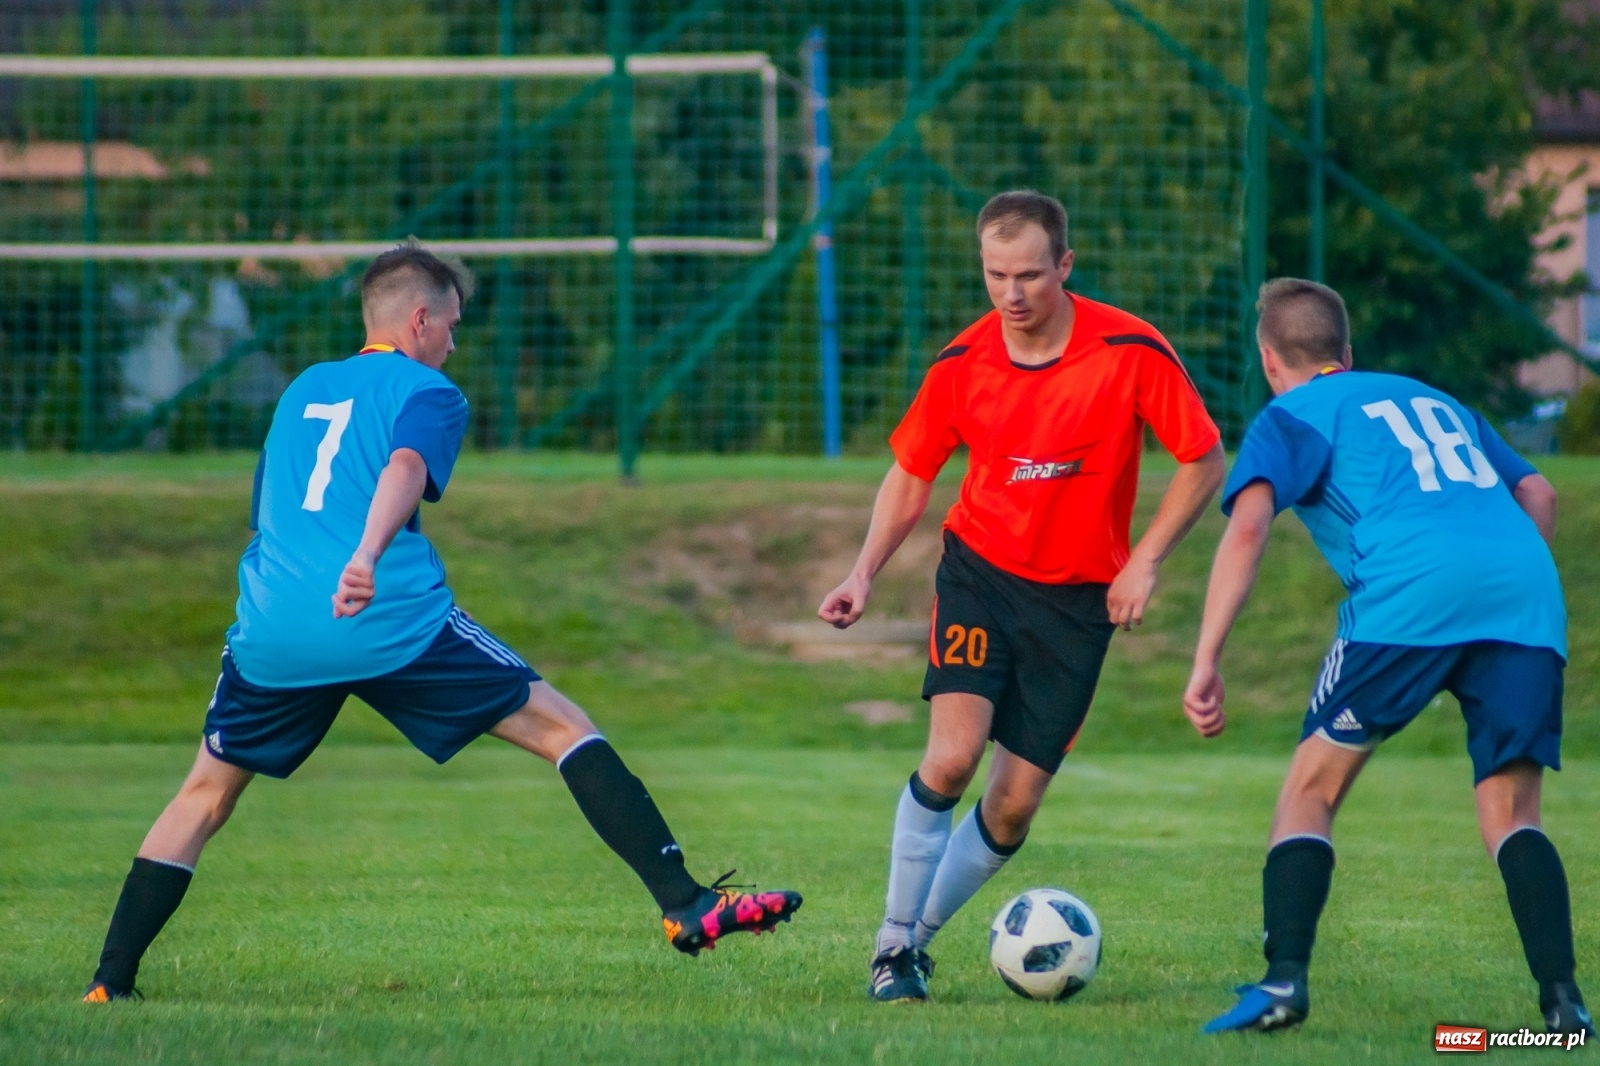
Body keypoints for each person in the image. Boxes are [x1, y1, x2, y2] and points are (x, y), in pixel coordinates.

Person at [80, 242, 800, 1004]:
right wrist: (364, 555)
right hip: (386, 614)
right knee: (565, 730)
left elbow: (269, 509)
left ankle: (107, 983)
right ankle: (686, 905)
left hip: (274, 628)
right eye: (451, 327)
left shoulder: (302, 390)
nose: (454, 344)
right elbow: (404, 470)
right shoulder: (427, 390)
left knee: (205, 795)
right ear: (418, 320)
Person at [818, 190, 1226, 1002]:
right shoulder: (962, 364)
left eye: (1031, 275)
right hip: (980, 578)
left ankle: (917, 943)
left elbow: (1205, 460)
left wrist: (1143, 560)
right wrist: (863, 570)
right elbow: (911, 473)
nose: (1013, 293)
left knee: (1010, 809)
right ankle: (890, 948)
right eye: (996, 274)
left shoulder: (1130, 348)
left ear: (1065, 266)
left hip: (1078, 604)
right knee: (953, 755)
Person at [1188, 278, 1592, 1037]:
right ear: (1348, 353)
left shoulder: (1292, 412)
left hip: (1410, 592)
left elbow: (1248, 528)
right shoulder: (1434, 398)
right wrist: (1496, 579)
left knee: (1310, 790)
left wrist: (1206, 657)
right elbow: (1540, 494)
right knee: (1512, 812)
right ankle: (1563, 1003)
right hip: (1523, 592)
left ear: (1270, 361)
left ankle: (1282, 985)